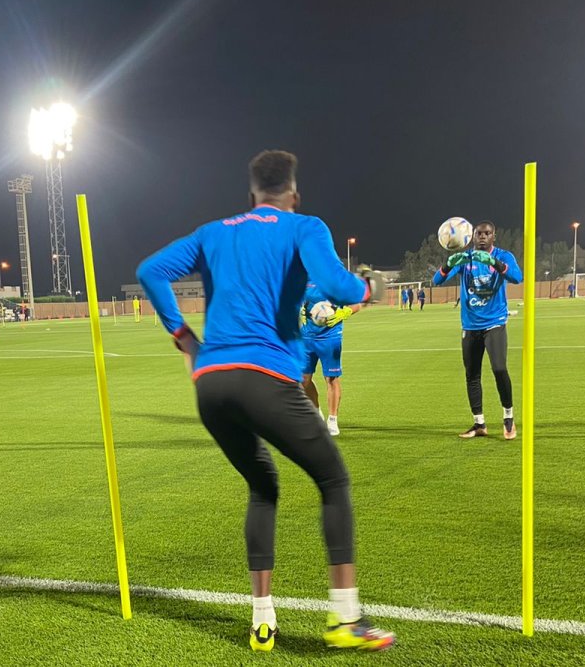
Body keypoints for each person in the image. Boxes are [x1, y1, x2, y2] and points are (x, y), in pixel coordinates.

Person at [136, 150, 395, 653]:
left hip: (211, 385)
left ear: (250, 195)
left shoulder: (213, 232)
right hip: (266, 377)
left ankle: (262, 620)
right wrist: (373, 287)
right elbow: (341, 286)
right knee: (333, 479)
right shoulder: (303, 225)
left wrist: (186, 339)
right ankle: (345, 618)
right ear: (293, 195)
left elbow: (150, 270)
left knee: (263, 484)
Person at [432, 221, 523, 440]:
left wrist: (494, 262)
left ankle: (508, 417)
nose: (482, 237)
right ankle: (479, 423)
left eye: (487, 233)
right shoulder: (466, 258)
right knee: (472, 375)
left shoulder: (504, 255)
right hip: (470, 325)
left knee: (499, 369)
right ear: (472, 237)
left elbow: (518, 278)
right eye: (478, 234)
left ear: (494, 236)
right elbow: (437, 280)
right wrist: (448, 264)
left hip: (494, 322)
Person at [301, 281, 361, 436]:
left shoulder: (335, 280)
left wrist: (343, 313)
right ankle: (316, 412)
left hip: (330, 337)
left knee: (331, 378)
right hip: (306, 336)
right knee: (303, 380)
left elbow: (356, 304)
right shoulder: (302, 279)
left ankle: (332, 420)